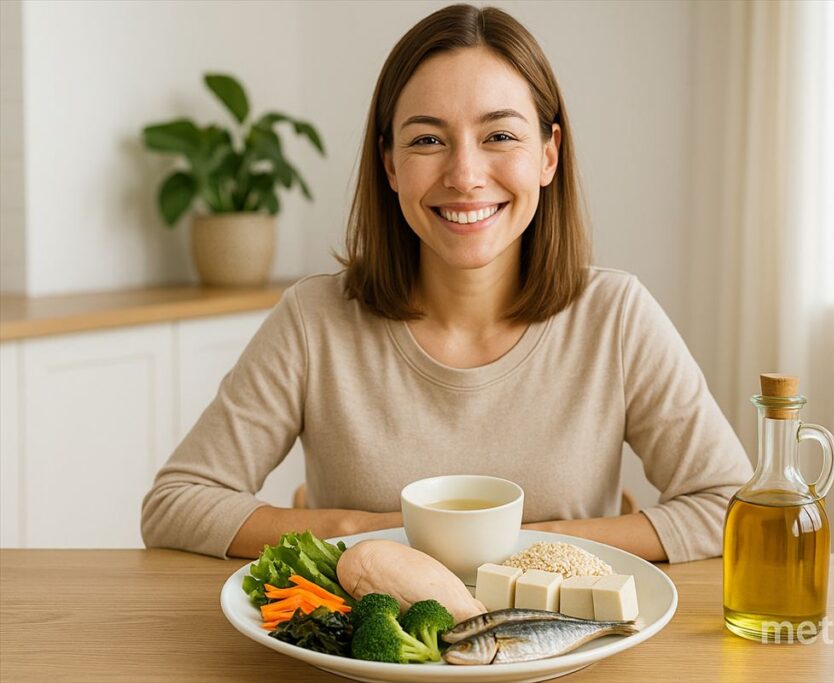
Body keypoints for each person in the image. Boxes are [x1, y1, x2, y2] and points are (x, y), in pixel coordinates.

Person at [141, 3, 752, 563]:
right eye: (428, 140)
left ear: (548, 154)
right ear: (389, 163)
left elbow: (732, 507)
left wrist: (527, 545)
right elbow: (177, 502)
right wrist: (362, 533)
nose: (464, 175)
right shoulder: (314, 317)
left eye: (500, 136)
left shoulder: (616, 316)